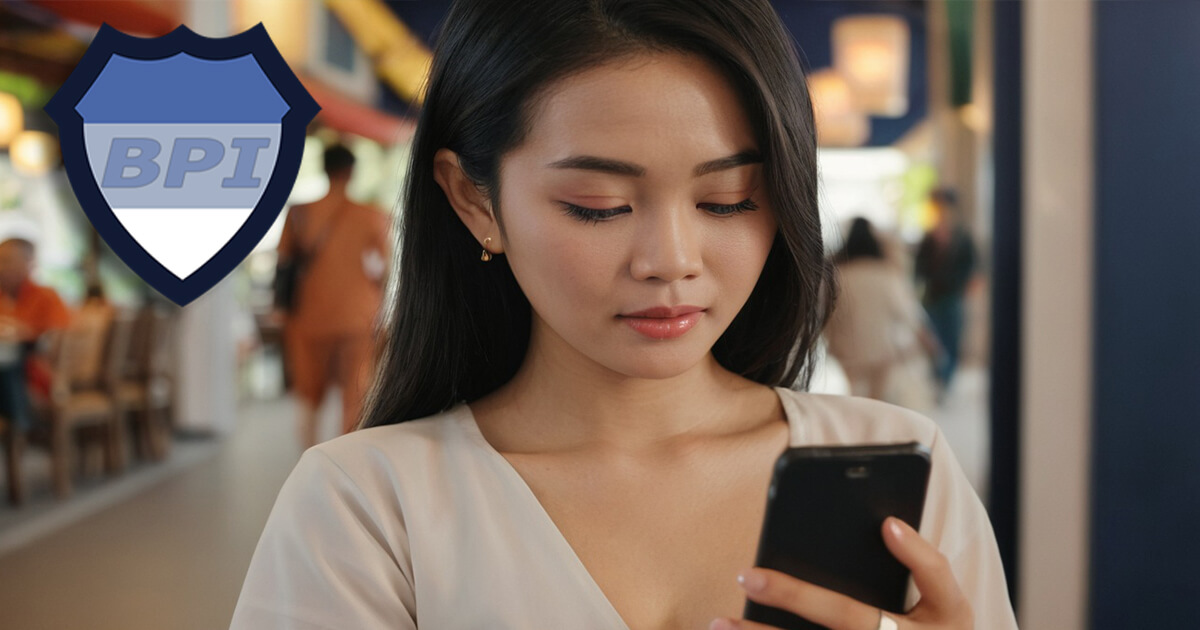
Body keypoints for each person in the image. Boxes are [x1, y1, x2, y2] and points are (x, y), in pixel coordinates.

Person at [233, 1, 1016, 628]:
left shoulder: (902, 471)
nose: (671, 259)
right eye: (598, 206)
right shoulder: (367, 507)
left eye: (728, 200)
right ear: (475, 200)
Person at [275, 145, 391, 447]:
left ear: (324, 169)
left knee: (308, 397)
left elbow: (283, 262)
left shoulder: (299, 213)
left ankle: (307, 460)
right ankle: (345, 468)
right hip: (358, 316)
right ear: (352, 173)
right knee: (355, 397)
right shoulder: (372, 215)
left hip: (307, 318)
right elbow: (383, 268)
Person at [825, 218, 940, 409]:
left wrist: (830, 342)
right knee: (877, 401)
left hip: (846, 348)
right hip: (880, 349)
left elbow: (826, 315)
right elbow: (907, 314)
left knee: (855, 394)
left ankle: (857, 428)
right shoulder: (885, 274)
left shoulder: (837, 275)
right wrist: (927, 340)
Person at [0, 237, 69, 431]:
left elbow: (59, 339)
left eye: (7, 260)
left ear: (29, 262)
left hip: (36, 371)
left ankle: (19, 419)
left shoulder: (46, 296)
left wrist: (26, 332)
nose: (2, 266)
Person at [914, 189, 978, 390]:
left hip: (953, 297)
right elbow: (919, 268)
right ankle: (938, 378)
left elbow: (971, 267)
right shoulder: (928, 238)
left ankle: (946, 380)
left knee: (952, 340)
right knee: (934, 341)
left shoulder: (962, 238)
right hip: (932, 297)